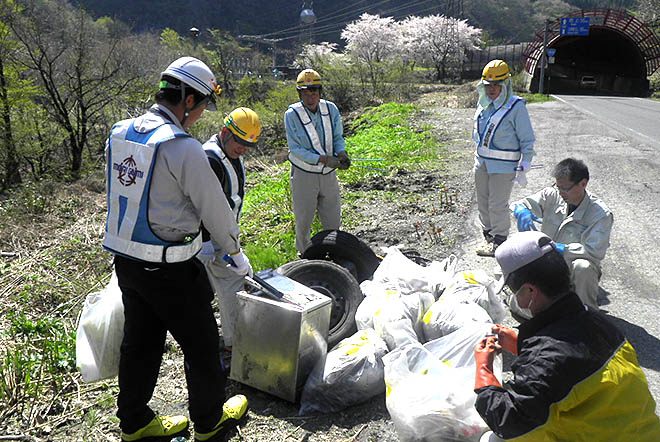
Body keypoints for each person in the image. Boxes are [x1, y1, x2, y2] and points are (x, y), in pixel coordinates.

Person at [103, 57, 250, 442]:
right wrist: (234, 250)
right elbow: (215, 209)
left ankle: (134, 422)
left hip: (127, 263)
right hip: (171, 268)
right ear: (187, 100)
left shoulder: (120, 133)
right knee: (201, 345)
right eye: (201, 106)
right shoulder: (182, 147)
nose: (201, 115)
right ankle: (209, 422)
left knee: (141, 342)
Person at [473, 231, 660, 442]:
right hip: (645, 433)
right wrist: (520, 344)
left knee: (491, 439)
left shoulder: (545, 362)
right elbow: (569, 364)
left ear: (530, 291)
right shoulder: (599, 324)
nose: (514, 296)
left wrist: (484, 369)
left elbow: (510, 422)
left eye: (513, 290)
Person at [510, 158, 613, 310]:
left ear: (583, 184)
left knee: (583, 267)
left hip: (572, 270)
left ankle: (588, 314)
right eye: (558, 186)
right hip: (547, 266)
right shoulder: (552, 195)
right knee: (521, 307)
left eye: (565, 188)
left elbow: (594, 252)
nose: (560, 193)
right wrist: (521, 211)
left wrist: (560, 249)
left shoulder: (600, 214)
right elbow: (518, 204)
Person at [198, 107, 261, 355]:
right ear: (225, 132)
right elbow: (201, 203)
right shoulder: (211, 159)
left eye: (248, 145)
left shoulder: (229, 153)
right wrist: (204, 240)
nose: (243, 149)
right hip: (210, 236)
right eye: (239, 142)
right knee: (233, 287)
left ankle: (222, 340)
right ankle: (234, 345)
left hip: (222, 233)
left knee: (219, 286)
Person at [473, 59, 536, 257]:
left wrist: (526, 162)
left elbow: (527, 138)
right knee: (482, 202)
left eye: (496, 85)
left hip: (503, 166)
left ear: (505, 84)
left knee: (497, 204)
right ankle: (488, 236)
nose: (492, 89)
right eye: (488, 85)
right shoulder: (483, 104)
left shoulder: (515, 107)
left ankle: (500, 240)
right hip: (481, 162)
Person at [284, 68, 351, 254]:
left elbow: (338, 136)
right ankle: (305, 257)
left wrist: (342, 153)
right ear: (300, 94)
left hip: (328, 175)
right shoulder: (292, 115)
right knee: (303, 220)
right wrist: (322, 159)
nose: (310, 96)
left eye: (313, 91)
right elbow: (295, 150)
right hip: (304, 175)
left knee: (332, 219)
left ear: (320, 91)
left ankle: (333, 253)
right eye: (305, 92)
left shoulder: (331, 109)